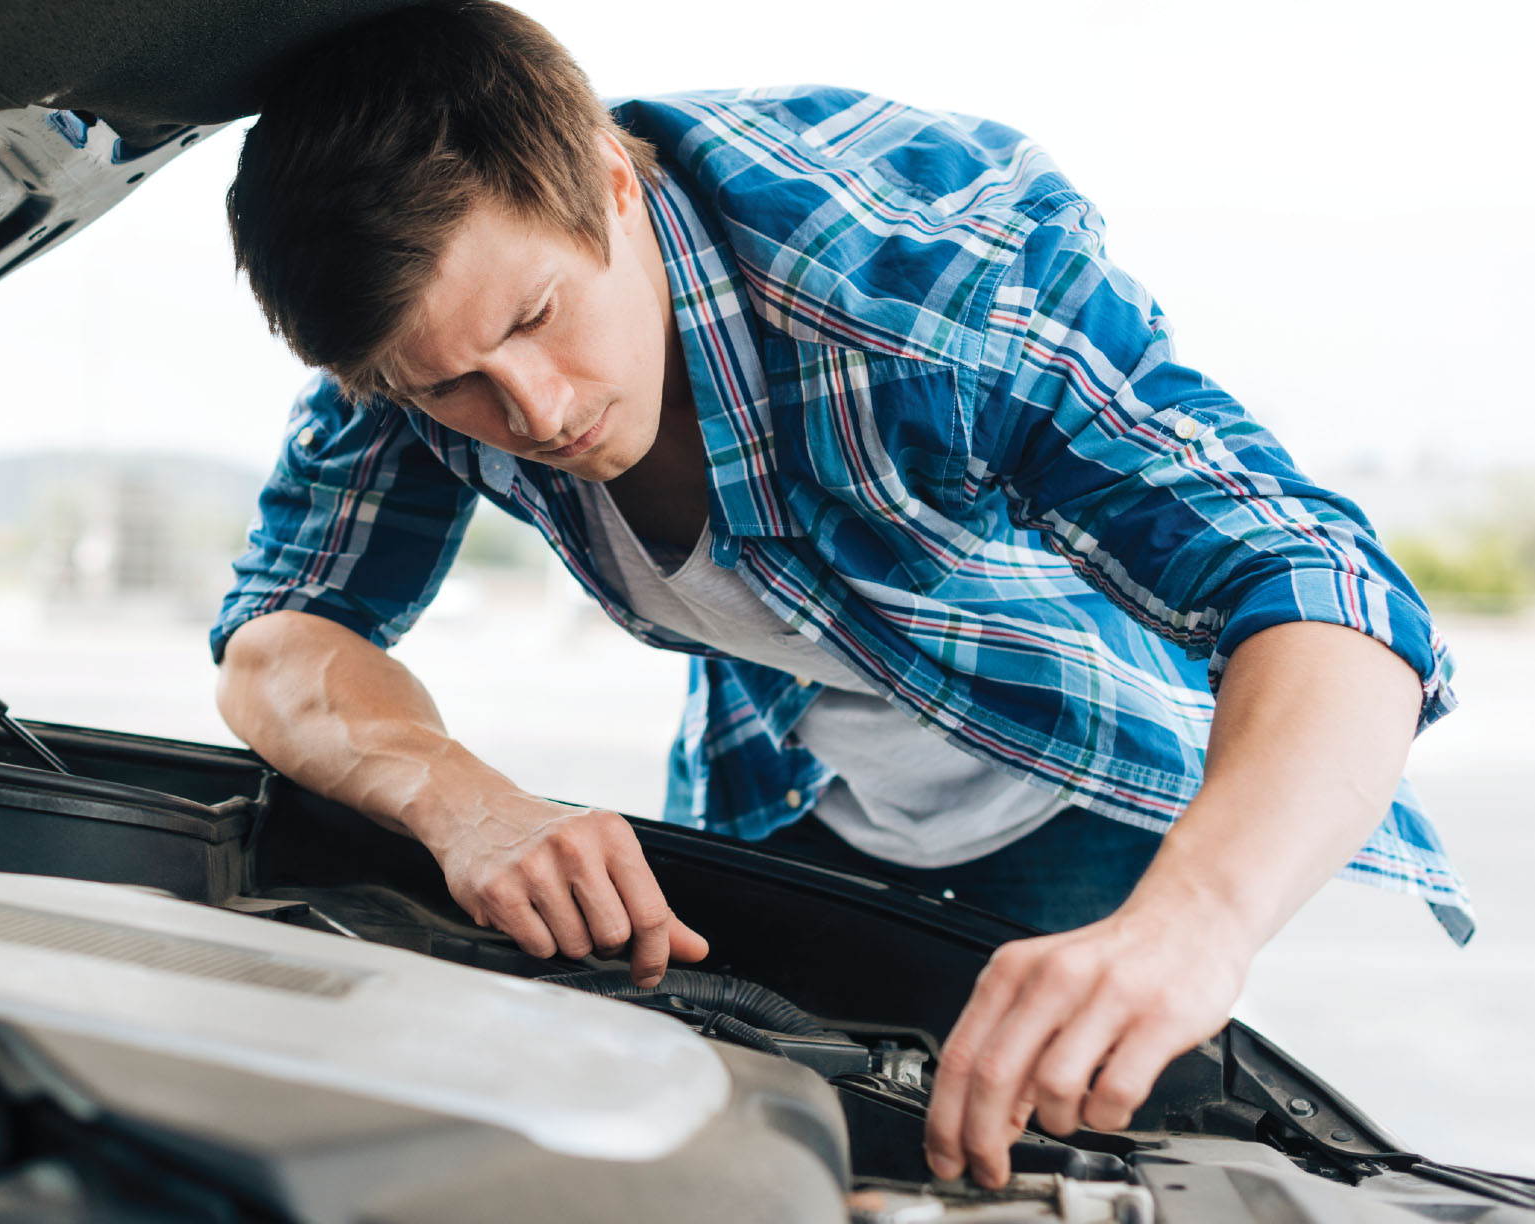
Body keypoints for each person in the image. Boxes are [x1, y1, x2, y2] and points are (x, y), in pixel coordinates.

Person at [205, 0, 1472, 1189]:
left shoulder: (924, 283)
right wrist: (464, 805)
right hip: (781, 769)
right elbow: (278, 635)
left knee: (1036, 1173)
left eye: (539, 317)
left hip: (1074, 779)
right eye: (451, 387)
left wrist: (1194, 922)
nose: (530, 413)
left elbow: (1322, 584)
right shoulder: (420, 340)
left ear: (607, 182)